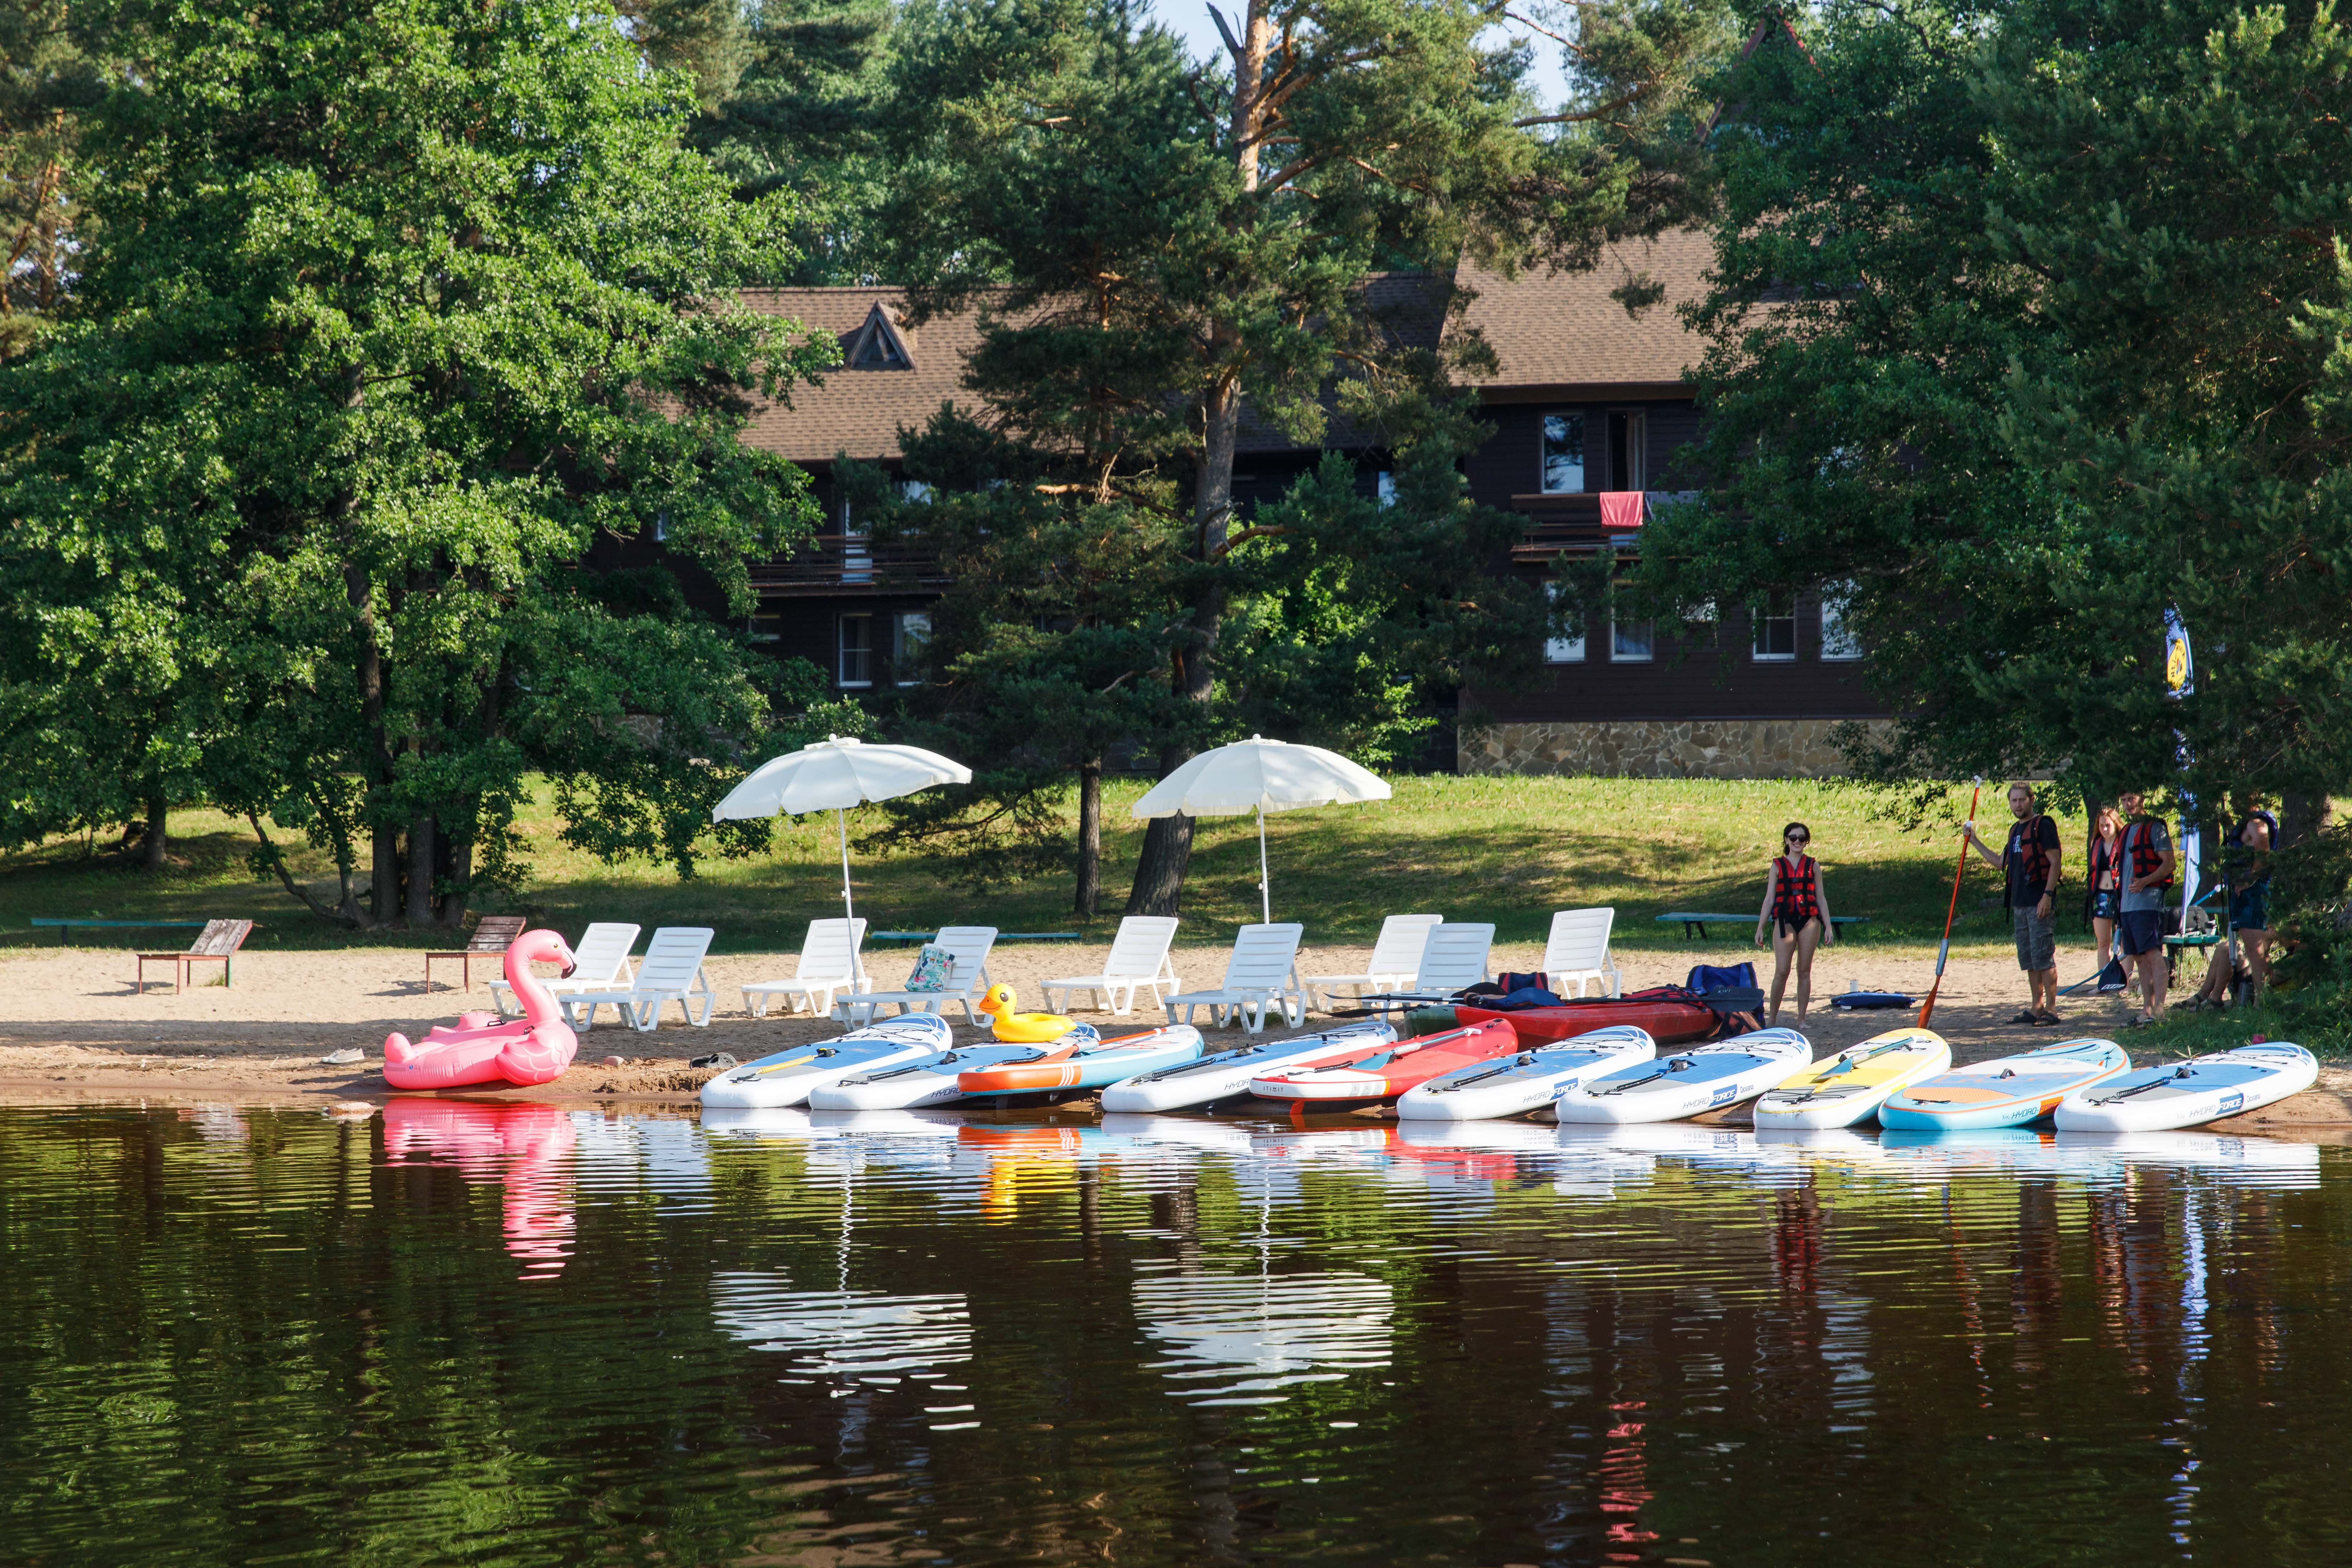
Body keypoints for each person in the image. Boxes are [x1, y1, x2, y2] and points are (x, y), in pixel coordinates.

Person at [1964, 782, 2064, 1025]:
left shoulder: (2044, 825)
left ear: (2031, 800)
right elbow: (2000, 863)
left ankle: (2051, 1009)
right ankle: (2036, 1006)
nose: (2018, 805)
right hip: (2020, 904)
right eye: (2014, 801)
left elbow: (2055, 861)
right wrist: (1974, 841)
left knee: (2043, 956)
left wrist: (2047, 895)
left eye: (2022, 800)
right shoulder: (2015, 831)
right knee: (2029, 958)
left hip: (2039, 900)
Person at [2183, 809, 2276, 1010]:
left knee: (2255, 949)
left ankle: (2262, 1002)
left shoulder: (2256, 823)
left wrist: (2251, 879)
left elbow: (2264, 850)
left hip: (2252, 895)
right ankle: (2246, 999)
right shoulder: (2245, 824)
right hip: (2241, 895)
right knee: (2246, 948)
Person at [1754, 821, 1834, 1025]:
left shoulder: (1813, 866)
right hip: (1785, 921)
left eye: (1802, 838)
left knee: (1804, 970)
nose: (1797, 842)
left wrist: (1829, 926)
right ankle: (1772, 1019)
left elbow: (1821, 897)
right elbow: (1770, 898)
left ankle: (1801, 1019)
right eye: (1793, 838)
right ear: (1786, 840)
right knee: (1782, 971)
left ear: (1806, 842)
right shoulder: (1777, 866)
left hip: (1809, 921)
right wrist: (1761, 927)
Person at [2113, 788, 2177, 1026]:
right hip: (2127, 905)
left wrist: (2145, 881)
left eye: (2131, 799)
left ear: (2141, 799)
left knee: (2152, 953)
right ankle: (2146, 1010)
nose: (2128, 804)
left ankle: (2159, 1010)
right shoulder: (2127, 831)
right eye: (2123, 800)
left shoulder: (2155, 827)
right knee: (2139, 958)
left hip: (2148, 903)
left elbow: (2168, 863)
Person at [2087, 803, 2126, 985]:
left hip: (2121, 895)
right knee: (2103, 942)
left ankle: (2124, 982)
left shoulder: (2123, 842)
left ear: (2116, 824)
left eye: (2107, 825)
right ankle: (2103, 982)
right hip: (2101, 896)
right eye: (2101, 825)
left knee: (2124, 942)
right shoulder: (2096, 843)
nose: (2104, 829)